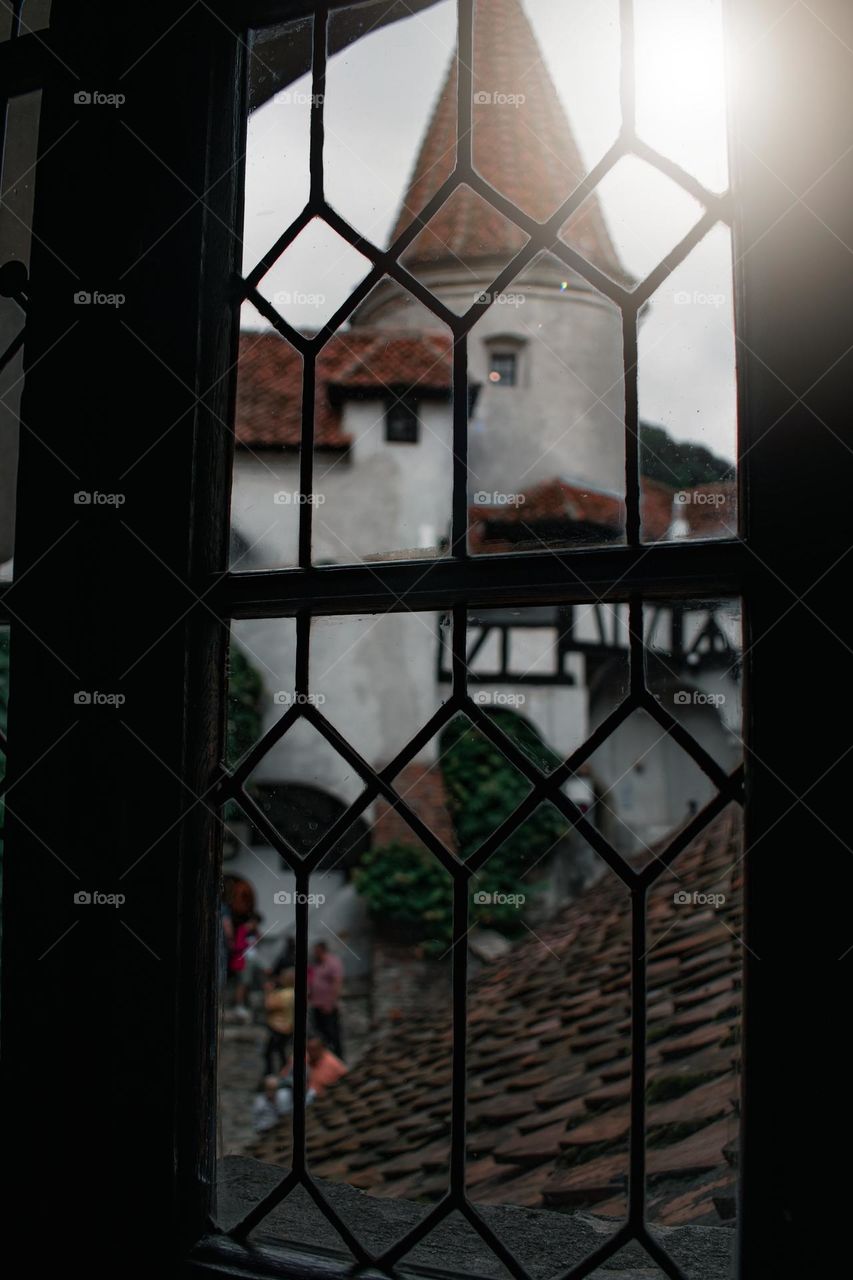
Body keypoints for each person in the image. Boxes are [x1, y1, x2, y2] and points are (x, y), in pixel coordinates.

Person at [308, 940, 344, 1058]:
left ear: (322, 950)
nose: (314, 953)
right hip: (317, 1004)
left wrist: (330, 1002)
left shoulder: (333, 962)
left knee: (332, 1034)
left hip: (327, 1006)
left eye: (316, 951)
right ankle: (325, 1058)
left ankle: (338, 1059)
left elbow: (337, 983)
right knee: (320, 1034)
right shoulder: (317, 964)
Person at [263, 968, 295, 1076]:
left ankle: (272, 1073)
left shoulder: (284, 994)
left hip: (279, 1027)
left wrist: (268, 991)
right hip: (287, 1027)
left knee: (269, 1053)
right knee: (281, 1051)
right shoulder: (292, 992)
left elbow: (269, 1005)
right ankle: (282, 1072)